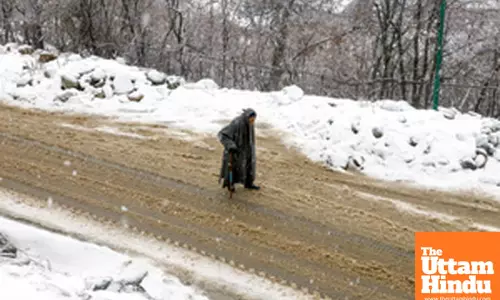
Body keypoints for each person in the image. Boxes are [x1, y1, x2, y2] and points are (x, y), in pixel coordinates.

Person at [217, 108, 260, 192]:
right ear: (247, 117)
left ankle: (248, 183)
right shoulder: (236, 123)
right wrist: (231, 145)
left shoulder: (249, 123)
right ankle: (230, 184)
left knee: (249, 166)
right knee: (233, 168)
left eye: (254, 120)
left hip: (247, 150)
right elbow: (222, 134)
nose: (253, 122)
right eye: (251, 119)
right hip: (235, 150)